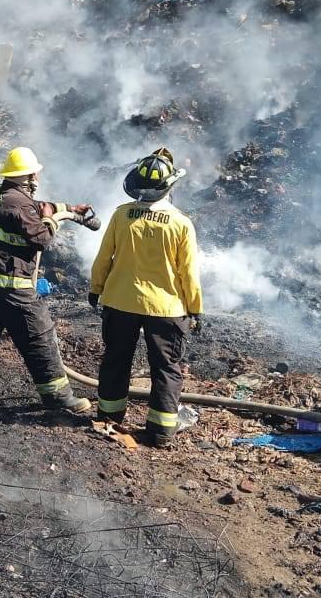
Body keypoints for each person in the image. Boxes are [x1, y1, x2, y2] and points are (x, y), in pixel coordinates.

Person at [0, 147, 94, 419]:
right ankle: (58, 398)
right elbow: (41, 238)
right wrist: (51, 219)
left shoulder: (1, 195)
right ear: (28, 176)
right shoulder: (18, 203)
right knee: (39, 337)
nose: (38, 178)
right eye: (35, 174)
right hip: (11, 286)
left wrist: (69, 209)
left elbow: (33, 208)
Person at [89, 148, 203, 447]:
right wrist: (195, 308)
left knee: (116, 359)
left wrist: (96, 288)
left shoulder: (121, 214)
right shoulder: (181, 223)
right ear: (170, 186)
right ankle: (161, 431)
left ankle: (108, 417)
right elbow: (188, 272)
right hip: (165, 308)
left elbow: (103, 258)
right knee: (166, 368)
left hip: (120, 301)